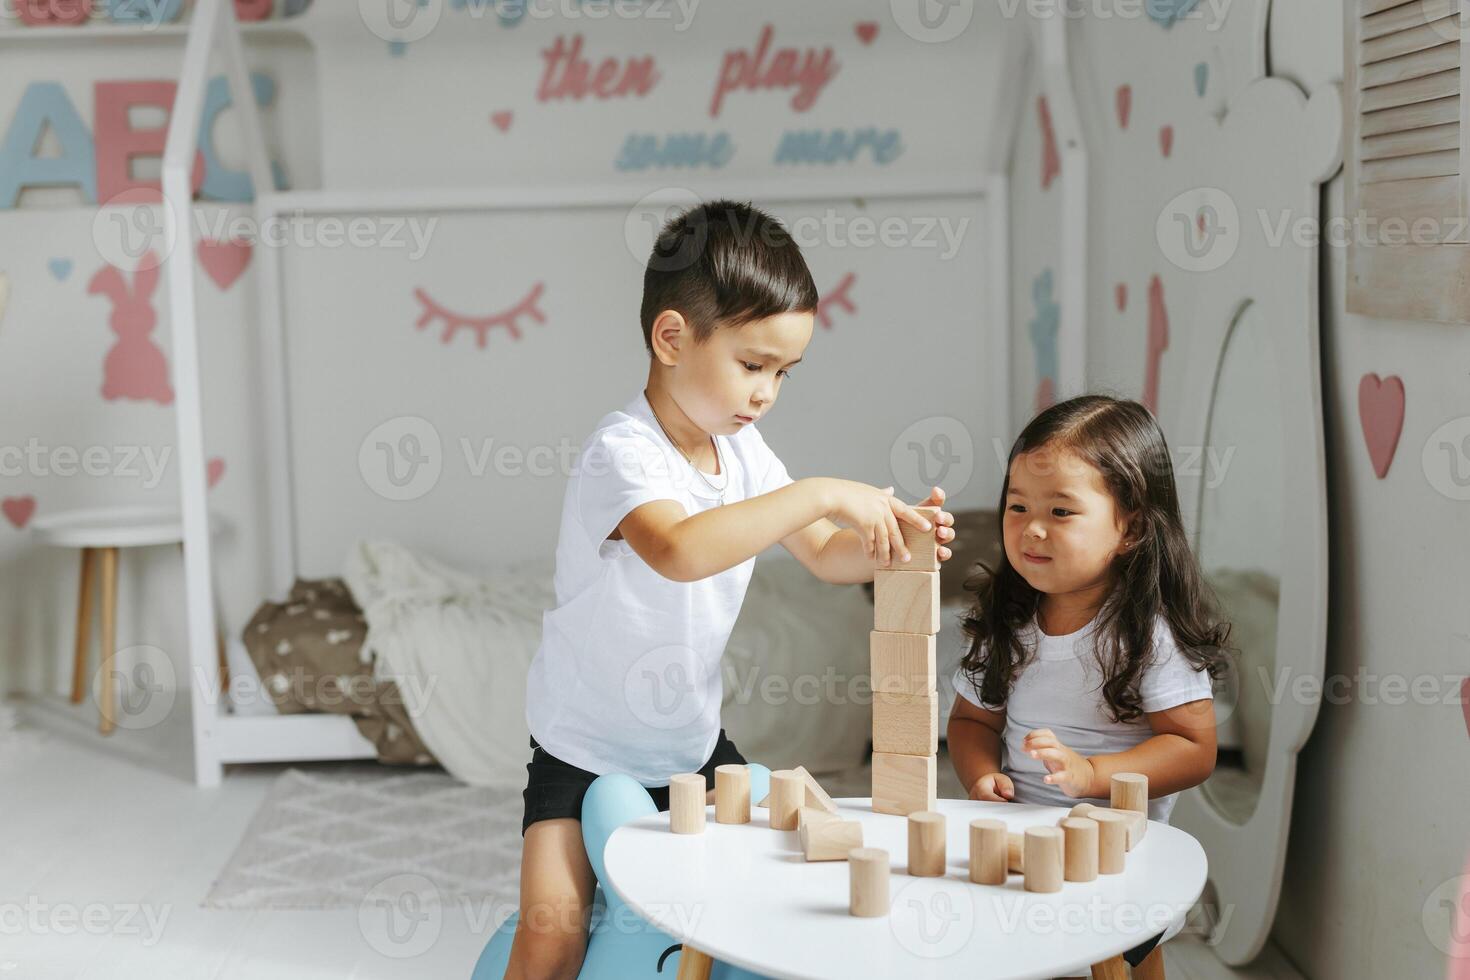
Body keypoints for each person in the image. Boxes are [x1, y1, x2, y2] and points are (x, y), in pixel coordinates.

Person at [508, 199, 958, 978]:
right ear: (673, 337)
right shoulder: (623, 452)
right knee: (552, 938)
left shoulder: (743, 454)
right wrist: (820, 490)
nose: (767, 394)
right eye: (753, 366)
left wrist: (893, 546)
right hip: (582, 749)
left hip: (689, 744)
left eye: (784, 373)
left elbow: (823, 554)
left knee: (771, 895)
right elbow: (679, 551)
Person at [948, 394, 1229, 969]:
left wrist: (1091, 773)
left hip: (1113, 846)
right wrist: (980, 775)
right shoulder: (1007, 620)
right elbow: (971, 721)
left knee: (1120, 951)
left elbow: (1194, 749)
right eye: (1018, 506)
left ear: (1130, 530)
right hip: (1020, 835)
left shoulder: (1149, 633)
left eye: (1061, 512)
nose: (1032, 531)